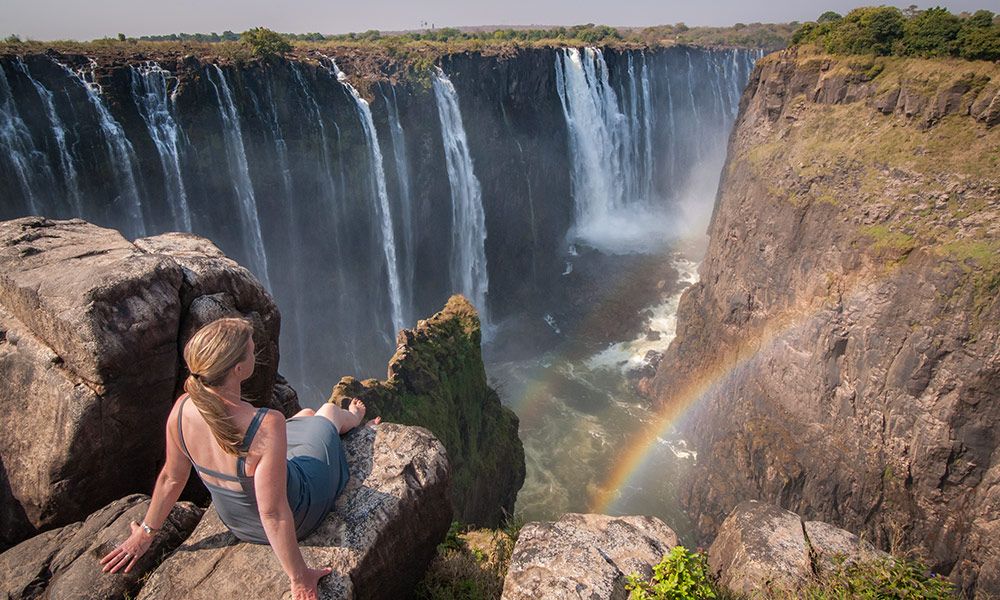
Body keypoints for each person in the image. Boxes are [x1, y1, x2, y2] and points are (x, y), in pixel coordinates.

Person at [99, 317, 377, 600]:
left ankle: (325, 421)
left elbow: (172, 478)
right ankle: (355, 420)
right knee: (328, 412)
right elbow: (274, 513)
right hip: (300, 512)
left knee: (305, 417)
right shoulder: (265, 424)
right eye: (251, 349)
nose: (255, 351)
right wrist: (300, 577)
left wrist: (146, 533)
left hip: (238, 523)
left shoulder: (181, 410)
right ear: (239, 368)